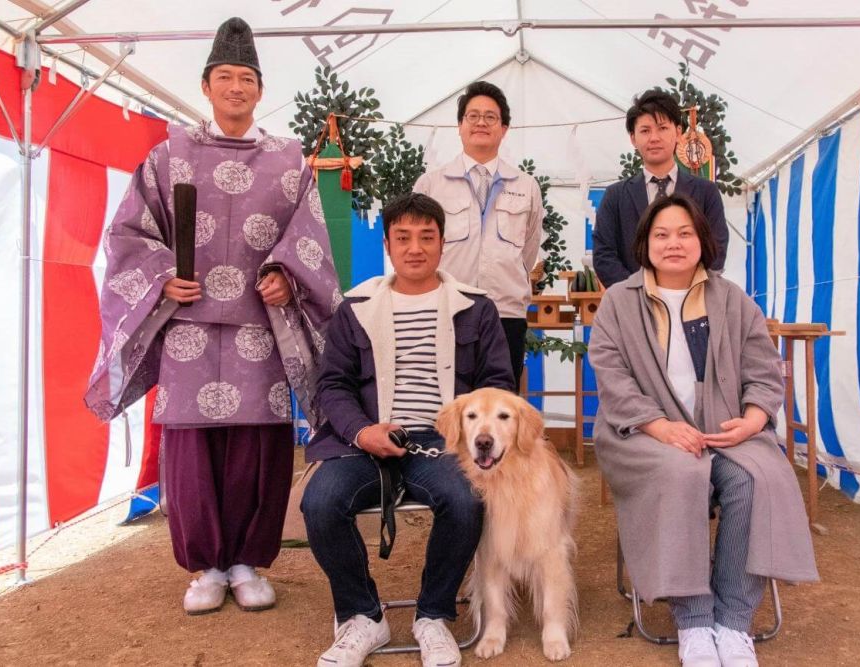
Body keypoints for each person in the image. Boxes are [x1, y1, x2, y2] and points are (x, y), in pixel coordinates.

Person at [85, 17, 339, 615]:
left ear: (259, 89)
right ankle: (204, 566)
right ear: (206, 86)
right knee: (192, 450)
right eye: (224, 77)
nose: (235, 88)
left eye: (246, 78)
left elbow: (309, 240)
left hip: (259, 326)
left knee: (257, 445)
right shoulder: (168, 155)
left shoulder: (289, 162)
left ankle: (248, 560)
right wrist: (158, 275)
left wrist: (284, 277)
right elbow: (127, 233)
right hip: (189, 326)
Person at [589, 193, 818, 667]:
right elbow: (611, 376)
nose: (673, 243)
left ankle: (733, 623)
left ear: (703, 240)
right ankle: (694, 621)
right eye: (661, 234)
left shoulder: (732, 299)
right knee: (682, 473)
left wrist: (754, 419)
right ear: (645, 243)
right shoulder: (618, 302)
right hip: (642, 435)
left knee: (758, 479)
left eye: (684, 233)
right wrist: (659, 426)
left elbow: (764, 370)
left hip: (725, 430)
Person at [302, 192, 514, 667]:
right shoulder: (355, 306)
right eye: (403, 237)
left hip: (445, 441)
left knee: (465, 499)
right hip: (363, 439)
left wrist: (466, 430)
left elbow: (498, 385)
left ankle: (433, 616)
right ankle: (362, 615)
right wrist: (362, 431)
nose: (415, 248)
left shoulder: (475, 308)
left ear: (443, 243)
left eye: (426, 237)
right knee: (320, 502)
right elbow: (331, 385)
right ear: (388, 244)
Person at [414, 81, 543, 385]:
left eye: (490, 117)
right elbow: (419, 251)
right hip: (446, 311)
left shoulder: (526, 186)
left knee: (500, 408)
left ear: (504, 128)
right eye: (473, 116)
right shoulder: (431, 185)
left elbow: (528, 250)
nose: (481, 123)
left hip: (506, 315)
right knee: (445, 404)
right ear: (459, 126)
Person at [593, 90, 729, 287]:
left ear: (678, 132)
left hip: (693, 302)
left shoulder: (706, 192)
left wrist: (687, 290)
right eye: (645, 130)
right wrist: (637, 292)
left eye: (662, 128)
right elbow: (604, 254)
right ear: (633, 138)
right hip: (633, 306)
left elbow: (716, 249)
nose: (654, 138)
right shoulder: (615, 196)